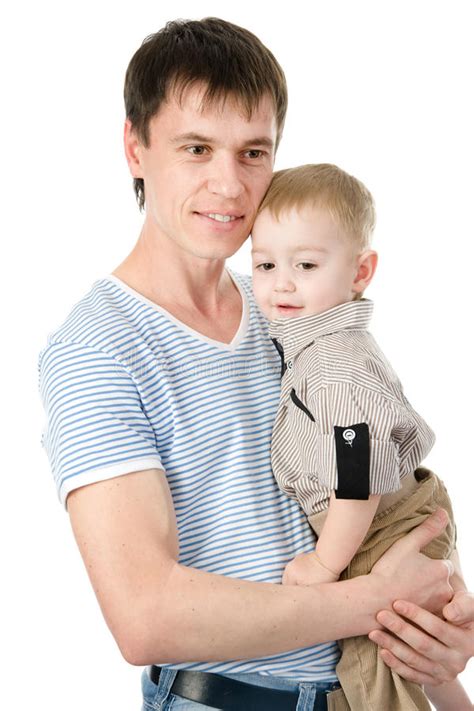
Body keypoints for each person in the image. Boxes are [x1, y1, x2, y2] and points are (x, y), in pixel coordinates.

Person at [38, 18, 473, 711]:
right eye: (197, 147)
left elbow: (362, 474)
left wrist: (436, 619)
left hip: (358, 691)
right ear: (135, 147)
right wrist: (371, 600)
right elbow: (146, 615)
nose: (229, 184)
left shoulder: (286, 308)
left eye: (253, 152)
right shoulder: (99, 347)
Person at [251, 163, 472, 710]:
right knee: (410, 657)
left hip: (373, 525)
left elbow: (357, 476)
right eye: (265, 264)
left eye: (305, 264)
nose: (282, 282)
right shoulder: (306, 344)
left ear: (360, 271)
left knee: (379, 671)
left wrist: (325, 565)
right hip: (380, 520)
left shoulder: (333, 361)